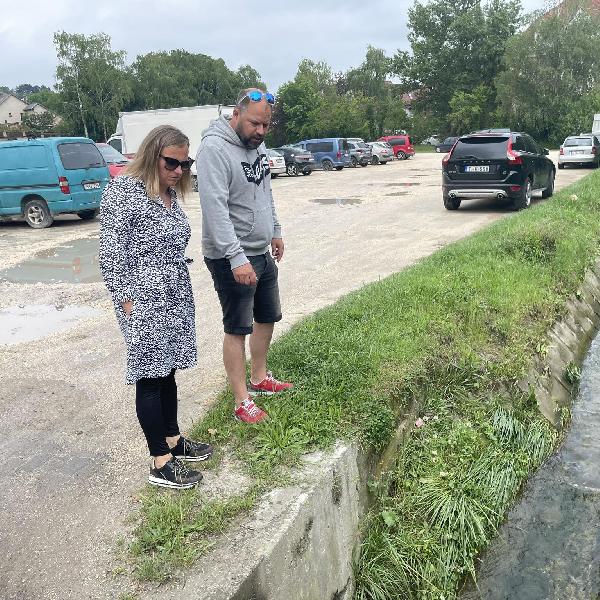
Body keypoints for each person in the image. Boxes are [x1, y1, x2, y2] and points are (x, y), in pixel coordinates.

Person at [99, 125, 213, 489]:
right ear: (152, 156)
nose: (179, 171)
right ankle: (159, 461)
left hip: (174, 295)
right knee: (150, 377)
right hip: (144, 300)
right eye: (172, 163)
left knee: (168, 372)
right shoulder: (123, 193)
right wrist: (128, 303)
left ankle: (174, 441)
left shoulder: (169, 193)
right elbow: (110, 255)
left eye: (185, 163)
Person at [196, 88, 293, 424]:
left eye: (266, 126)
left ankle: (260, 377)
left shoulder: (257, 145)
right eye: (255, 124)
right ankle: (242, 401)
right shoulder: (213, 149)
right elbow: (214, 209)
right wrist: (236, 258)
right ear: (235, 114)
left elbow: (265, 191)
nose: (261, 132)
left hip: (260, 250)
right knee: (237, 327)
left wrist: (275, 230)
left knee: (267, 316)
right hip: (230, 255)